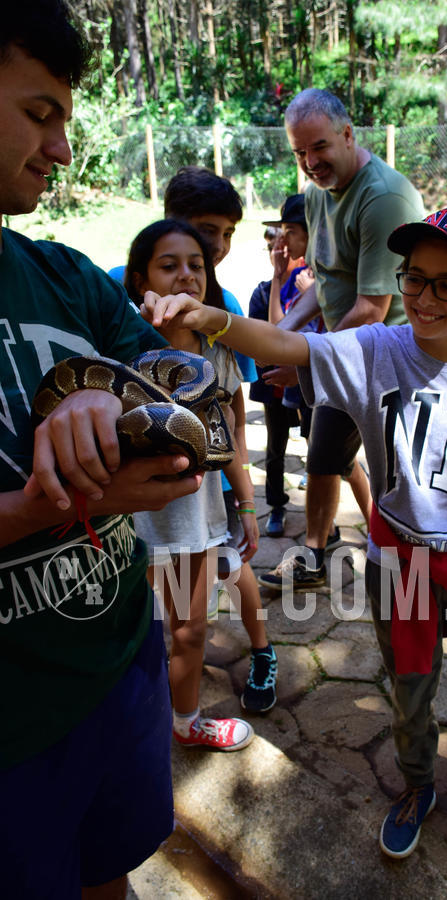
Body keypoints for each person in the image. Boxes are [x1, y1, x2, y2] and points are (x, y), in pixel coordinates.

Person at [141, 205, 447, 857]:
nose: (425, 297)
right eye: (414, 278)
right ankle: (415, 783)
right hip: (400, 555)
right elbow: (294, 346)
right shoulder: (377, 351)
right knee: (411, 684)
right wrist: (219, 323)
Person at [0, 4, 203, 897]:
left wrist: (96, 386)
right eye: (38, 114)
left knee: (111, 867)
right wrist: (49, 506)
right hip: (11, 728)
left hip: (120, 662)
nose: (61, 149)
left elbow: (189, 387)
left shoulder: (62, 275)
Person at [258, 88, 425, 591]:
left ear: (349, 135)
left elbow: (372, 311)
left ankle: (411, 558)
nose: (310, 163)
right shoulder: (315, 193)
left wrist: (307, 361)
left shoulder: (384, 199)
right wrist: (279, 333)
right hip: (343, 347)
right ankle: (314, 551)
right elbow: (326, 283)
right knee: (324, 453)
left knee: (395, 468)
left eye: (320, 148)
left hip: (391, 360)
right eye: (299, 152)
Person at [125, 220, 278, 720]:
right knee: (138, 632)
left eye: (197, 266)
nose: (186, 276)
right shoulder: (121, 348)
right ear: (139, 278)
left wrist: (249, 505)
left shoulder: (219, 351)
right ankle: (140, 723)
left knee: (190, 630)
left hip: (200, 515)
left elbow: (231, 438)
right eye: (168, 266)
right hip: (134, 519)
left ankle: (184, 723)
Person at [163, 166, 258, 614]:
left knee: (228, 563)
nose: (218, 246)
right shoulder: (118, 291)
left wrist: (247, 497)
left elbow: (234, 411)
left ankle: (261, 650)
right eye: (207, 231)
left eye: (228, 233)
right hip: (149, 482)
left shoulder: (226, 308)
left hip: (214, 474)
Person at [249, 196, 321, 538]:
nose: (280, 244)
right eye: (275, 239)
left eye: (288, 234)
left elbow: (289, 331)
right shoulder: (264, 292)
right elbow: (273, 334)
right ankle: (276, 506)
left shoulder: (317, 287)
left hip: (309, 382)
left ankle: (321, 518)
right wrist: (277, 279)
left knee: (317, 444)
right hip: (276, 384)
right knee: (275, 445)